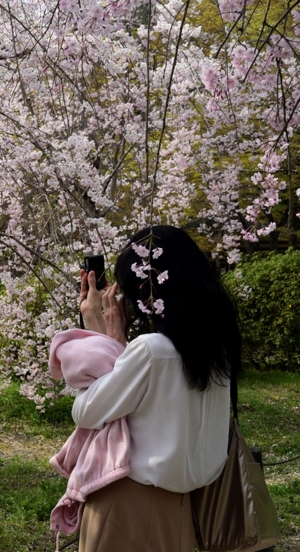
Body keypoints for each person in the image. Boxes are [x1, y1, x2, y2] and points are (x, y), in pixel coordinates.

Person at [74, 225, 242, 552]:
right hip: (183, 509)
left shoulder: (151, 351)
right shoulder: (216, 350)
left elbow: (85, 412)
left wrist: (101, 340)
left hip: (127, 504)